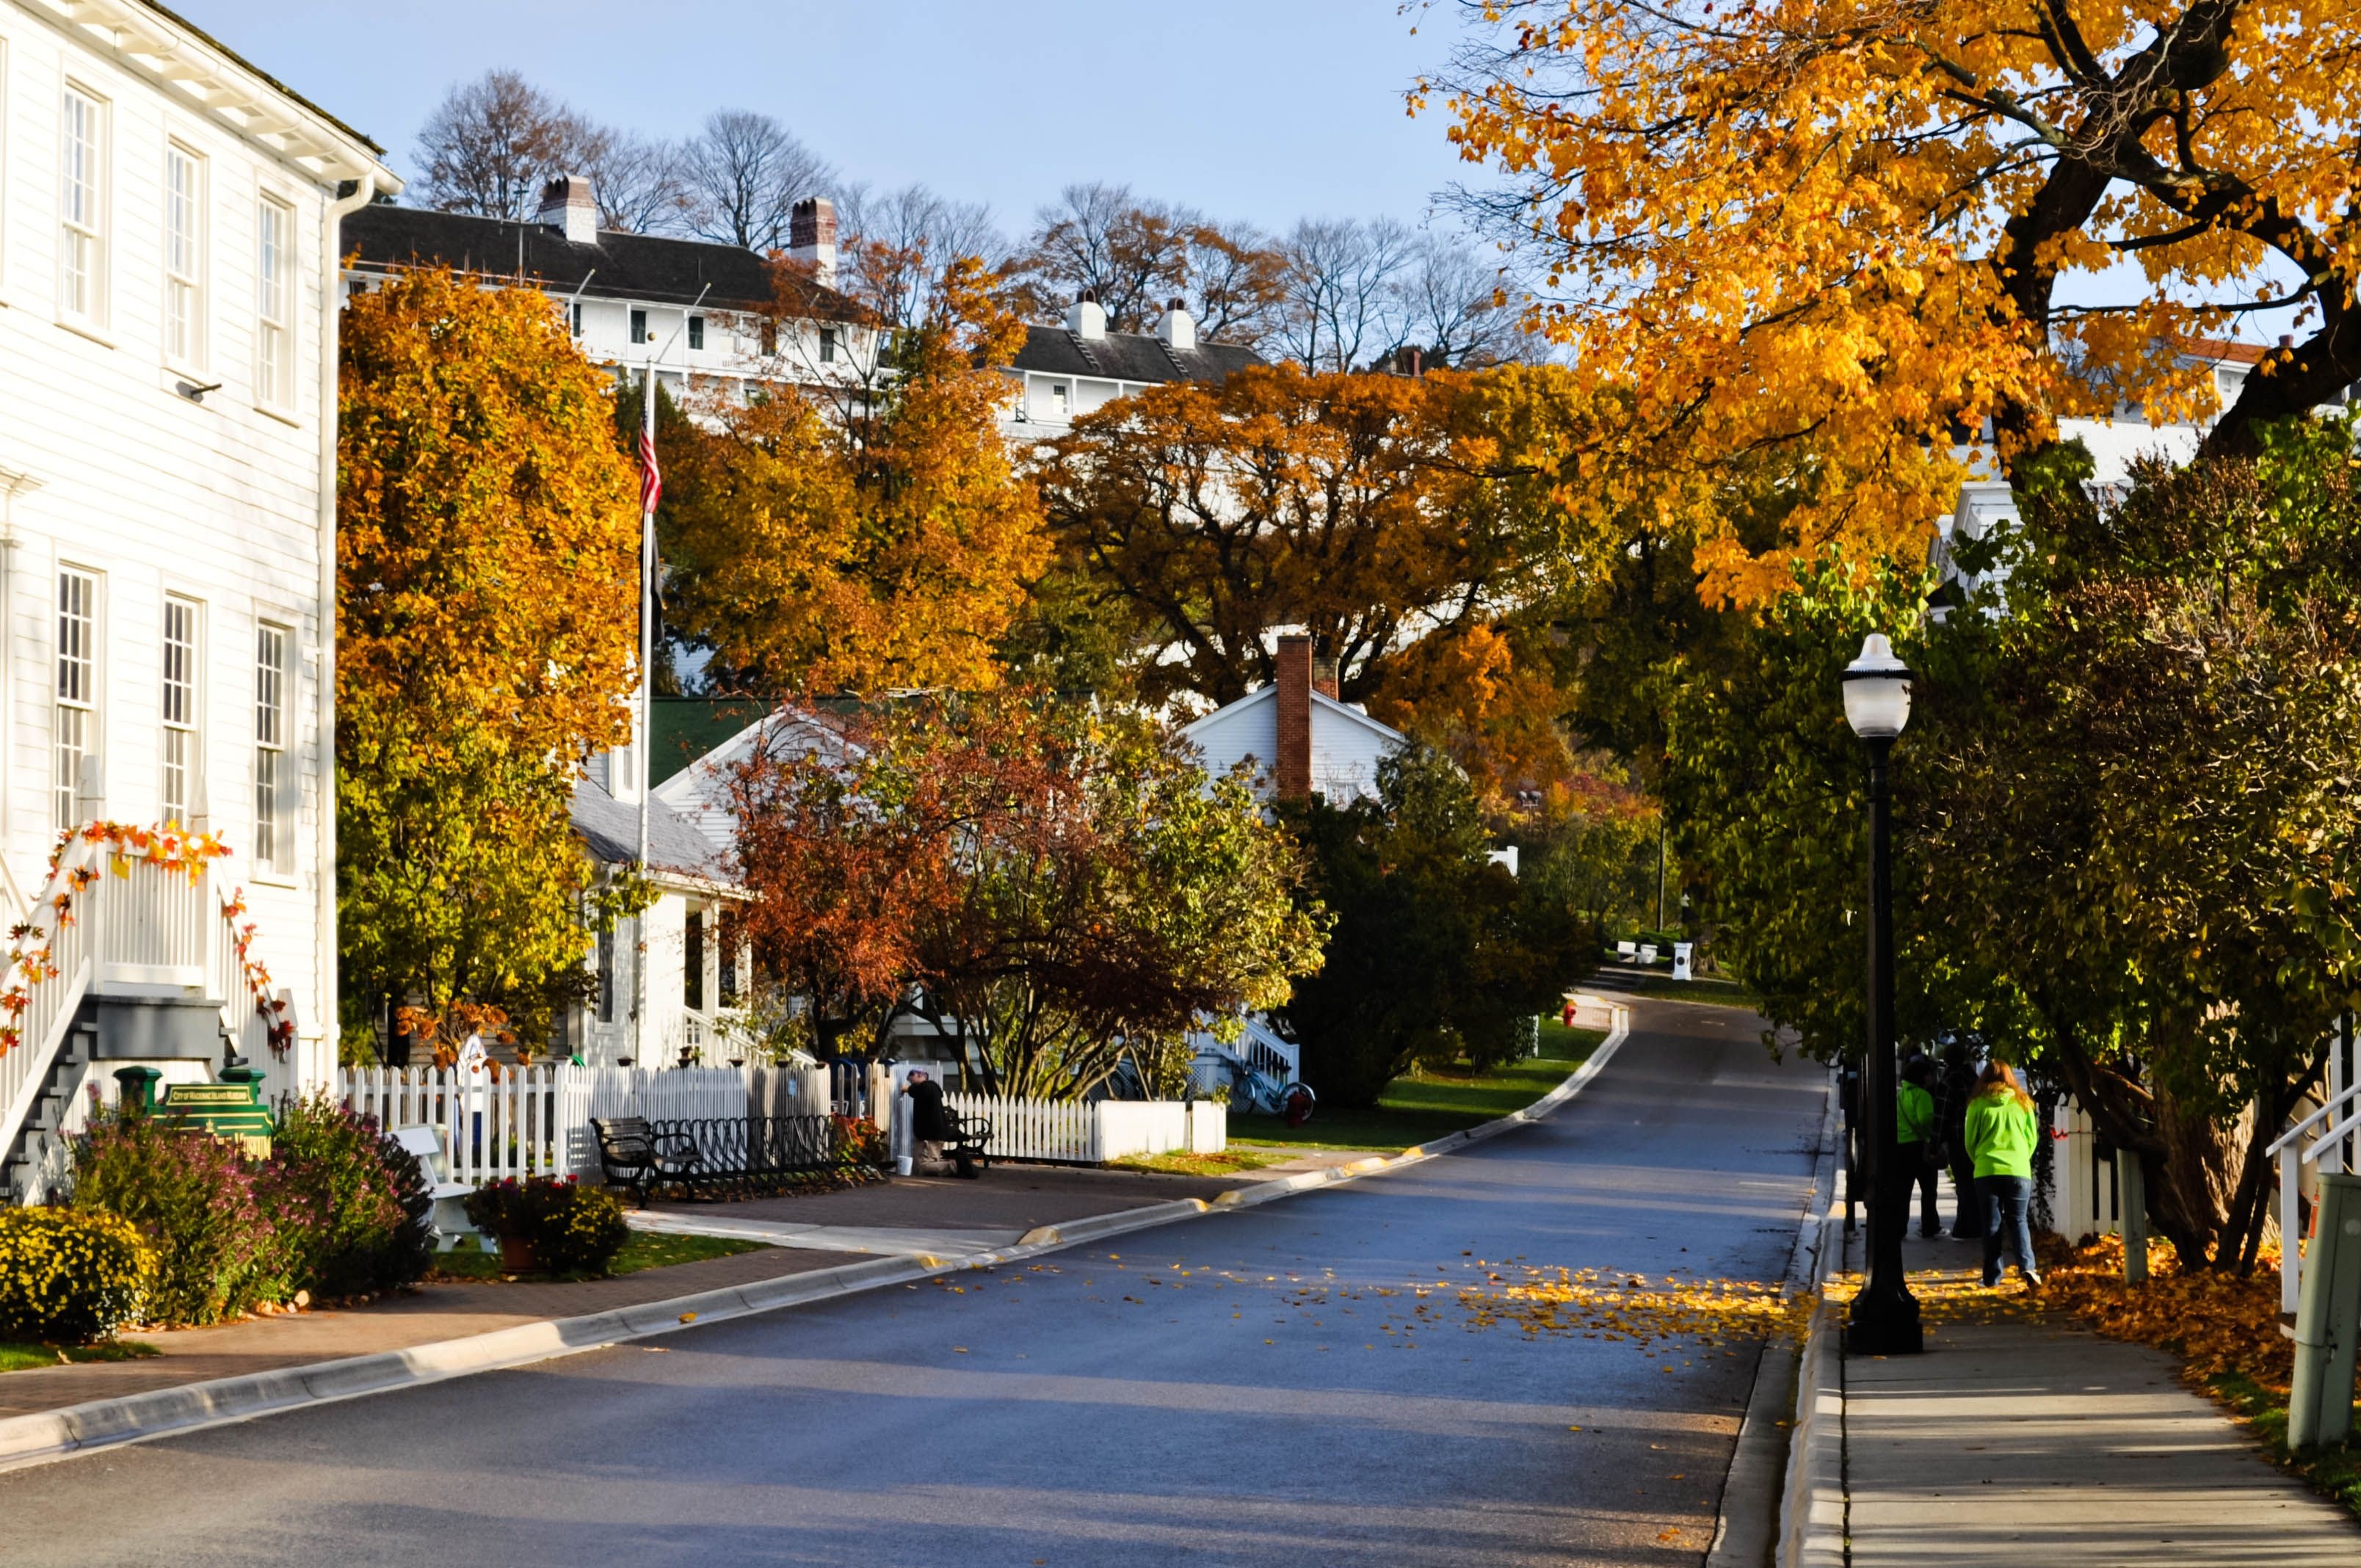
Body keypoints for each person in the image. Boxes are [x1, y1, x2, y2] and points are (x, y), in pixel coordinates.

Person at [1965, 1061, 2042, 1287]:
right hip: (2018, 1170)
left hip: (1987, 1169)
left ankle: (1992, 1277)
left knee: (1991, 1224)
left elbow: (1970, 1142)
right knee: (2018, 1220)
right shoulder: (2023, 1103)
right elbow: (2032, 1139)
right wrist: (2021, 1159)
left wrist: (1979, 1160)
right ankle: (2028, 1267)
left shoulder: (1977, 1105)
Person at [1935, 1041, 1984, 1239]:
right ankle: (1975, 1223)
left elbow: (1942, 1115)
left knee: (1963, 1182)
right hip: (1977, 1135)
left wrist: (1935, 1142)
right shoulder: (1974, 1079)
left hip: (1957, 1137)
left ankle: (1965, 1225)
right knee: (1973, 1182)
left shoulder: (1948, 1081)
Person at [1898, 1053, 1943, 1238]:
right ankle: (1929, 1226)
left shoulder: (1899, 1095)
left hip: (1901, 1148)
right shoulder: (1922, 1095)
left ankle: (1900, 1228)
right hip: (1920, 1147)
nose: (1931, 1078)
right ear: (1922, 1077)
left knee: (1903, 1192)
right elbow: (1925, 1118)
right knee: (1929, 1191)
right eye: (1929, 1075)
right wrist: (1928, 1134)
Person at [904, 1069, 954, 1173]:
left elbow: (917, 1090)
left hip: (929, 1136)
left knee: (921, 1167)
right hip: (935, 1134)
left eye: (911, 1077)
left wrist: (907, 1089)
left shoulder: (926, 1086)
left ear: (920, 1075)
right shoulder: (932, 1088)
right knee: (931, 1163)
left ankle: (954, 1166)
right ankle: (953, 1168)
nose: (910, 1081)